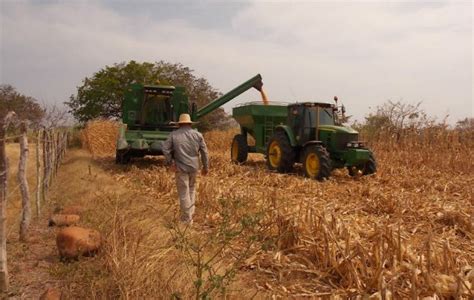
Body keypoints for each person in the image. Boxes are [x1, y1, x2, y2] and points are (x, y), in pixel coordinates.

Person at [162, 113, 209, 225]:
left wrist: (170, 162)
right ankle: (190, 214)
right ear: (189, 123)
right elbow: (204, 152)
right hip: (194, 167)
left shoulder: (174, 135)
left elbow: (165, 148)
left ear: (180, 124)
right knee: (192, 190)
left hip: (180, 167)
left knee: (184, 192)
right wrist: (206, 167)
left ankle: (186, 219)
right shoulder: (198, 135)